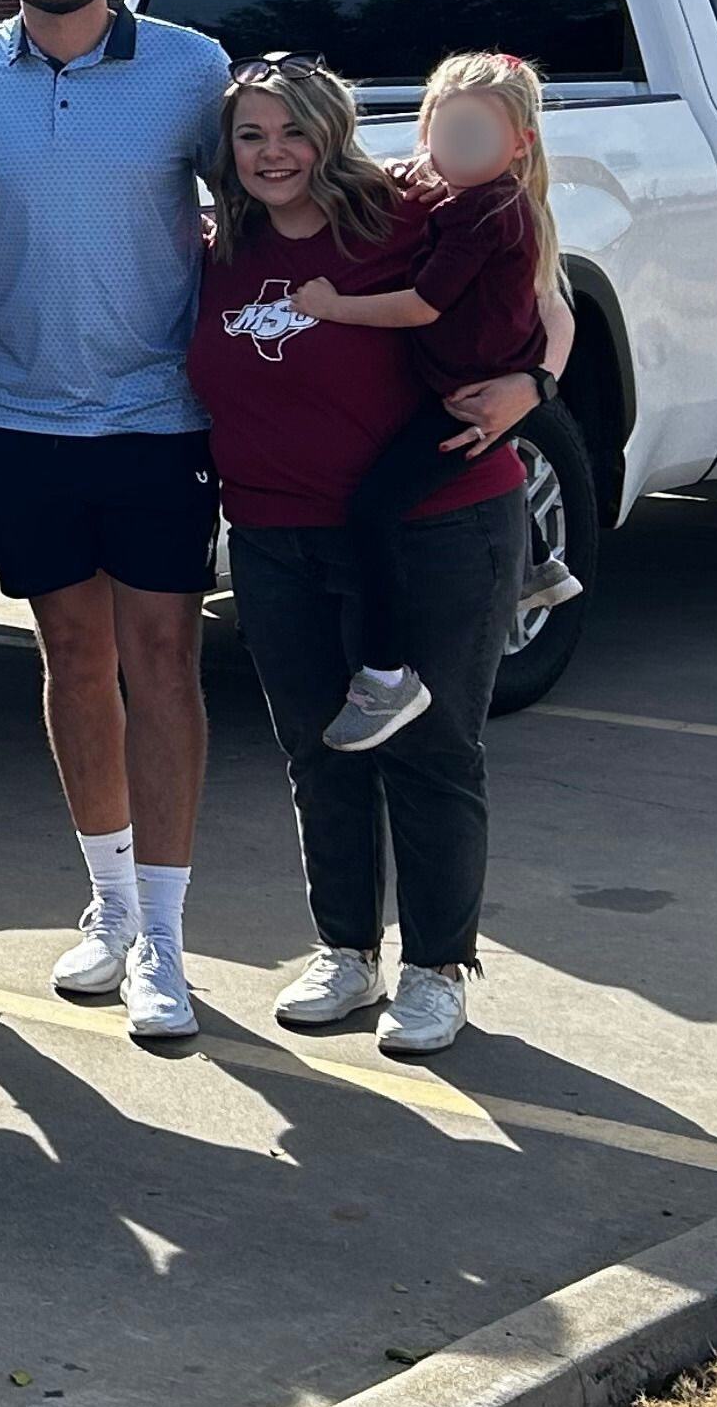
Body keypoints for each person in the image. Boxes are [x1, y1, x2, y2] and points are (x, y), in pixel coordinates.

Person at [193, 56, 567, 1056]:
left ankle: (437, 968)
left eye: (292, 131)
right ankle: (346, 951)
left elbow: (550, 304)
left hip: (436, 526)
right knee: (318, 748)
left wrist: (530, 386)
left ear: (332, 131)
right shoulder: (215, 247)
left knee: (432, 750)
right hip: (275, 536)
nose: (275, 154)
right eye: (250, 136)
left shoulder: (406, 217)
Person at [0, 0, 234, 1045]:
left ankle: (166, 940)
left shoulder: (191, 69)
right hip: (23, 416)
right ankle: (107, 909)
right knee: (71, 659)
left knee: (163, 664)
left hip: (158, 418)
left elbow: (276, 182)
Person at [283, 50, 575, 754]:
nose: (452, 148)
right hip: (461, 381)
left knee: (373, 509)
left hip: (465, 397)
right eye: (444, 132)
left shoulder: (483, 213)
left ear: (519, 143)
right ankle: (536, 567)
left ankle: (387, 674)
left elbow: (423, 307)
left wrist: (331, 304)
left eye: (473, 135)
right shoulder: (484, 196)